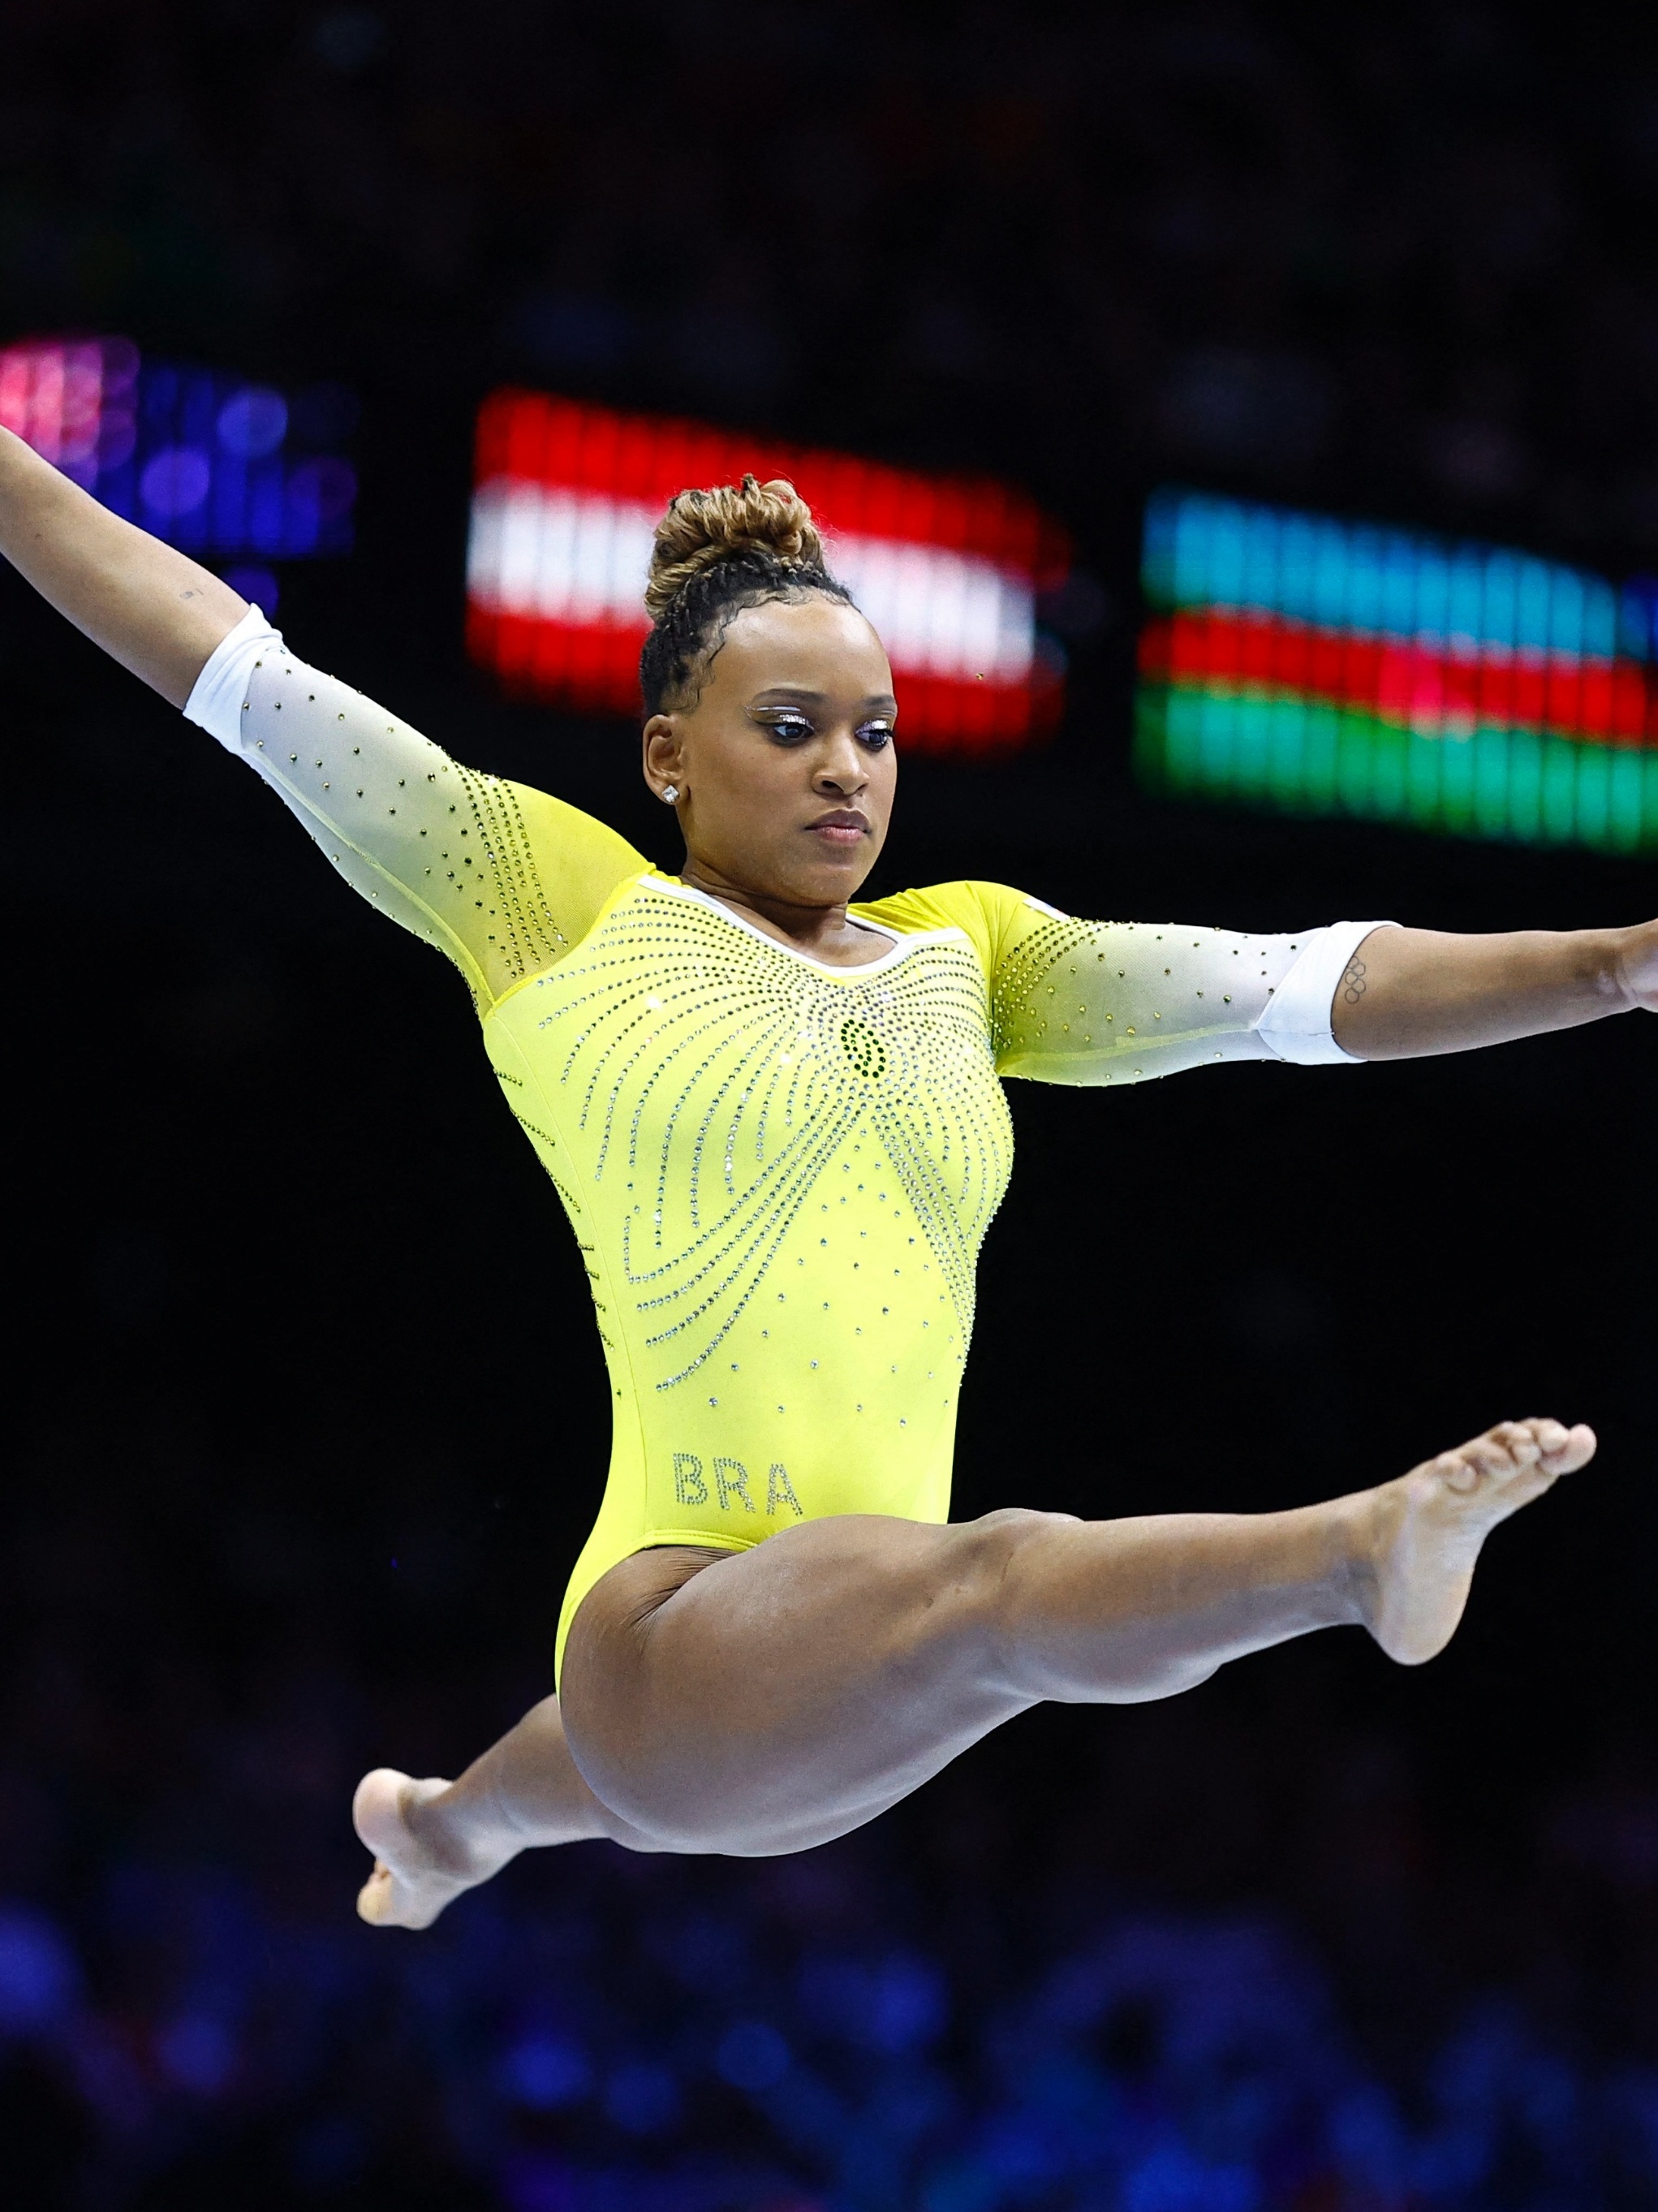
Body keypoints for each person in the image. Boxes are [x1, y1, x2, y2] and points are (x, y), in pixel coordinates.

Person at [2, 437, 1632, 1927]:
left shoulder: (971, 956)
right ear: (667, 756)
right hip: (667, 1630)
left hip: (826, 1692)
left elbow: (1306, 987)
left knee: (917, 1621)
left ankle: (450, 1828)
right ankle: (1355, 1553)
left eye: (873, 734)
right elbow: (231, 666)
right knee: (1000, 1579)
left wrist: (1616, 962)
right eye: (786, 731)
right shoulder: (551, 903)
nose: (844, 770)